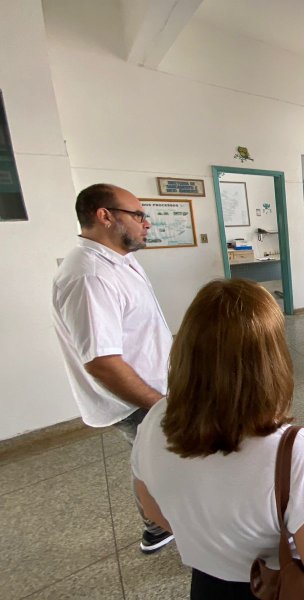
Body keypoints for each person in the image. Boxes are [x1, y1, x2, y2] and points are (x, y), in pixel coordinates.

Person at [131, 279, 304, 599]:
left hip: (206, 585)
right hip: (273, 588)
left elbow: (153, 510)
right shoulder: (294, 452)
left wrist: (210, 536)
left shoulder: (155, 420)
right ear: (272, 361)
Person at [51, 183, 174, 554]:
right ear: (105, 216)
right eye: (137, 215)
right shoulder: (91, 275)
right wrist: (158, 404)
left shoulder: (119, 258)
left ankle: (161, 523)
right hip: (136, 398)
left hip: (153, 386)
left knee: (152, 458)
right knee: (156, 462)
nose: (146, 223)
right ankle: (160, 526)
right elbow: (102, 362)